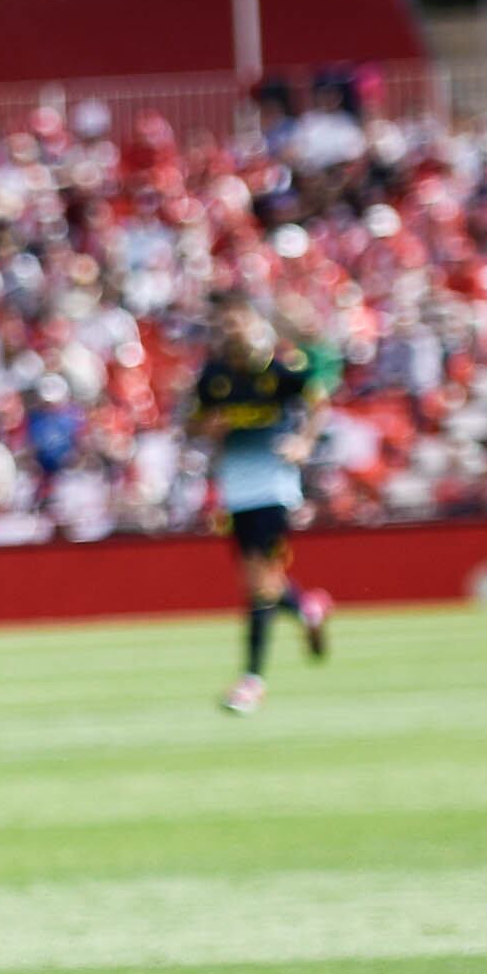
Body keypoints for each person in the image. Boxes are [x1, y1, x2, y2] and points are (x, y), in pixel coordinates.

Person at [186, 297, 330, 714]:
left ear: (254, 326)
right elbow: (194, 423)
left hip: (273, 484)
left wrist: (304, 441)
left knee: (260, 585)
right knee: (259, 581)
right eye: (227, 326)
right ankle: (306, 608)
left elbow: (319, 405)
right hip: (237, 488)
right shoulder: (214, 377)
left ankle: (252, 680)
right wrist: (205, 427)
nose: (233, 332)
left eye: (239, 323)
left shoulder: (282, 370)